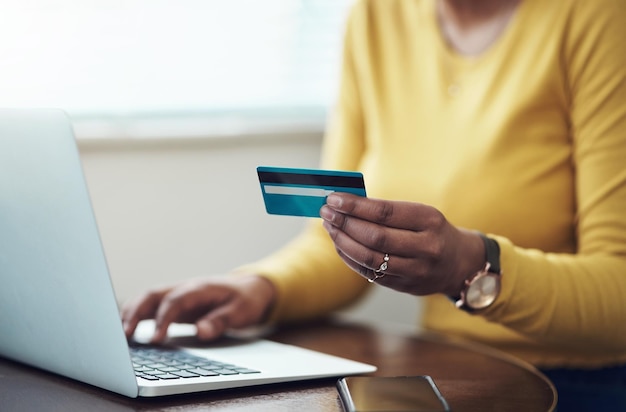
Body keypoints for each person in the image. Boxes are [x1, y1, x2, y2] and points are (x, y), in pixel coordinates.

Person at [122, 0, 626, 409]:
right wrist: (261, 287)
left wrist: (471, 268)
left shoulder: (599, 18)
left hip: (580, 383)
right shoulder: (374, 15)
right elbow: (344, 236)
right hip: (451, 369)